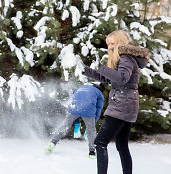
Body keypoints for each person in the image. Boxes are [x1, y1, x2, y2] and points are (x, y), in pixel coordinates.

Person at [76, 30, 151, 174]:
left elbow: (122, 78)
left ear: (120, 42)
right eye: (108, 44)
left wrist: (101, 67)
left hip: (121, 105)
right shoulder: (127, 58)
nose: (110, 47)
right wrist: (86, 70)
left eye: (112, 43)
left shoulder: (126, 58)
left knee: (100, 143)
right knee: (122, 145)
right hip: (128, 104)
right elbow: (108, 78)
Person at [46, 83, 104, 159]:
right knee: (91, 131)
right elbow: (98, 109)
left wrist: (77, 123)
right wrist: (93, 123)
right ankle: (92, 152)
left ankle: (52, 142)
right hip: (88, 110)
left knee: (65, 126)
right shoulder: (99, 92)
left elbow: (76, 103)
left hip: (73, 109)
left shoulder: (78, 88)